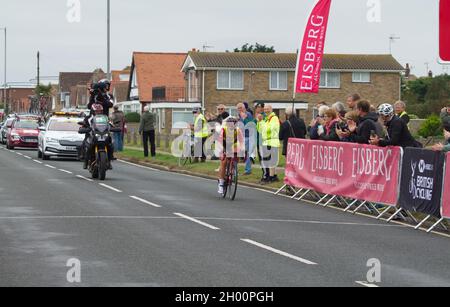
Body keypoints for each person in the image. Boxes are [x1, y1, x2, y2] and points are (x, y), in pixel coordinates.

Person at [217, 116, 244, 194]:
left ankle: (233, 169)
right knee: (224, 162)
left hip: (234, 145)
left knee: (236, 157)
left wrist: (242, 151)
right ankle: (221, 183)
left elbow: (241, 142)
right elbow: (220, 142)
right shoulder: (223, 130)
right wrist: (221, 152)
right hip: (224, 144)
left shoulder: (238, 130)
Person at [258, 104, 280, 184]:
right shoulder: (267, 119)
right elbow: (260, 130)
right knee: (269, 161)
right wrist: (260, 122)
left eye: (268, 109)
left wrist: (262, 123)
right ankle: (273, 176)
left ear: (271, 109)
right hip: (267, 141)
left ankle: (271, 178)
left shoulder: (274, 118)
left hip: (272, 141)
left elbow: (269, 129)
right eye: (265, 109)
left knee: (271, 161)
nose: (266, 110)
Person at [237, 102, 254, 175]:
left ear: (244, 108)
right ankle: (236, 169)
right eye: (238, 108)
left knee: (247, 153)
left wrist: (243, 119)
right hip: (242, 136)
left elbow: (250, 124)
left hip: (248, 136)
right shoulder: (239, 115)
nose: (239, 109)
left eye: (241, 108)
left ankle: (248, 170)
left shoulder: (248, 114)